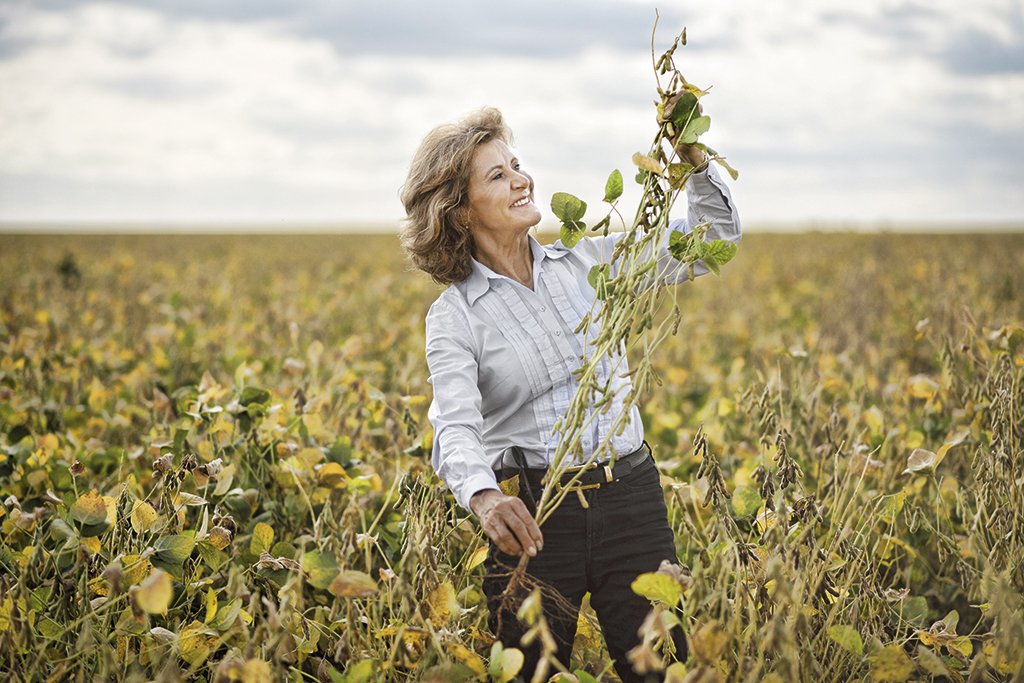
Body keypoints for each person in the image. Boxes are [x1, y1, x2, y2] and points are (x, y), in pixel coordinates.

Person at [400, 107, 740, 682]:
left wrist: (693, 162)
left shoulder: (591, 264)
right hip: (536, 518)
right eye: (497, 176)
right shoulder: (455, 317)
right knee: (534, 675)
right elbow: (455, 426)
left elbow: (712, 240)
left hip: (632, 498)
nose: (521, 180)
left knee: (660, 671)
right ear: (458, 211)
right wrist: (485, 499)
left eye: (517, 165)